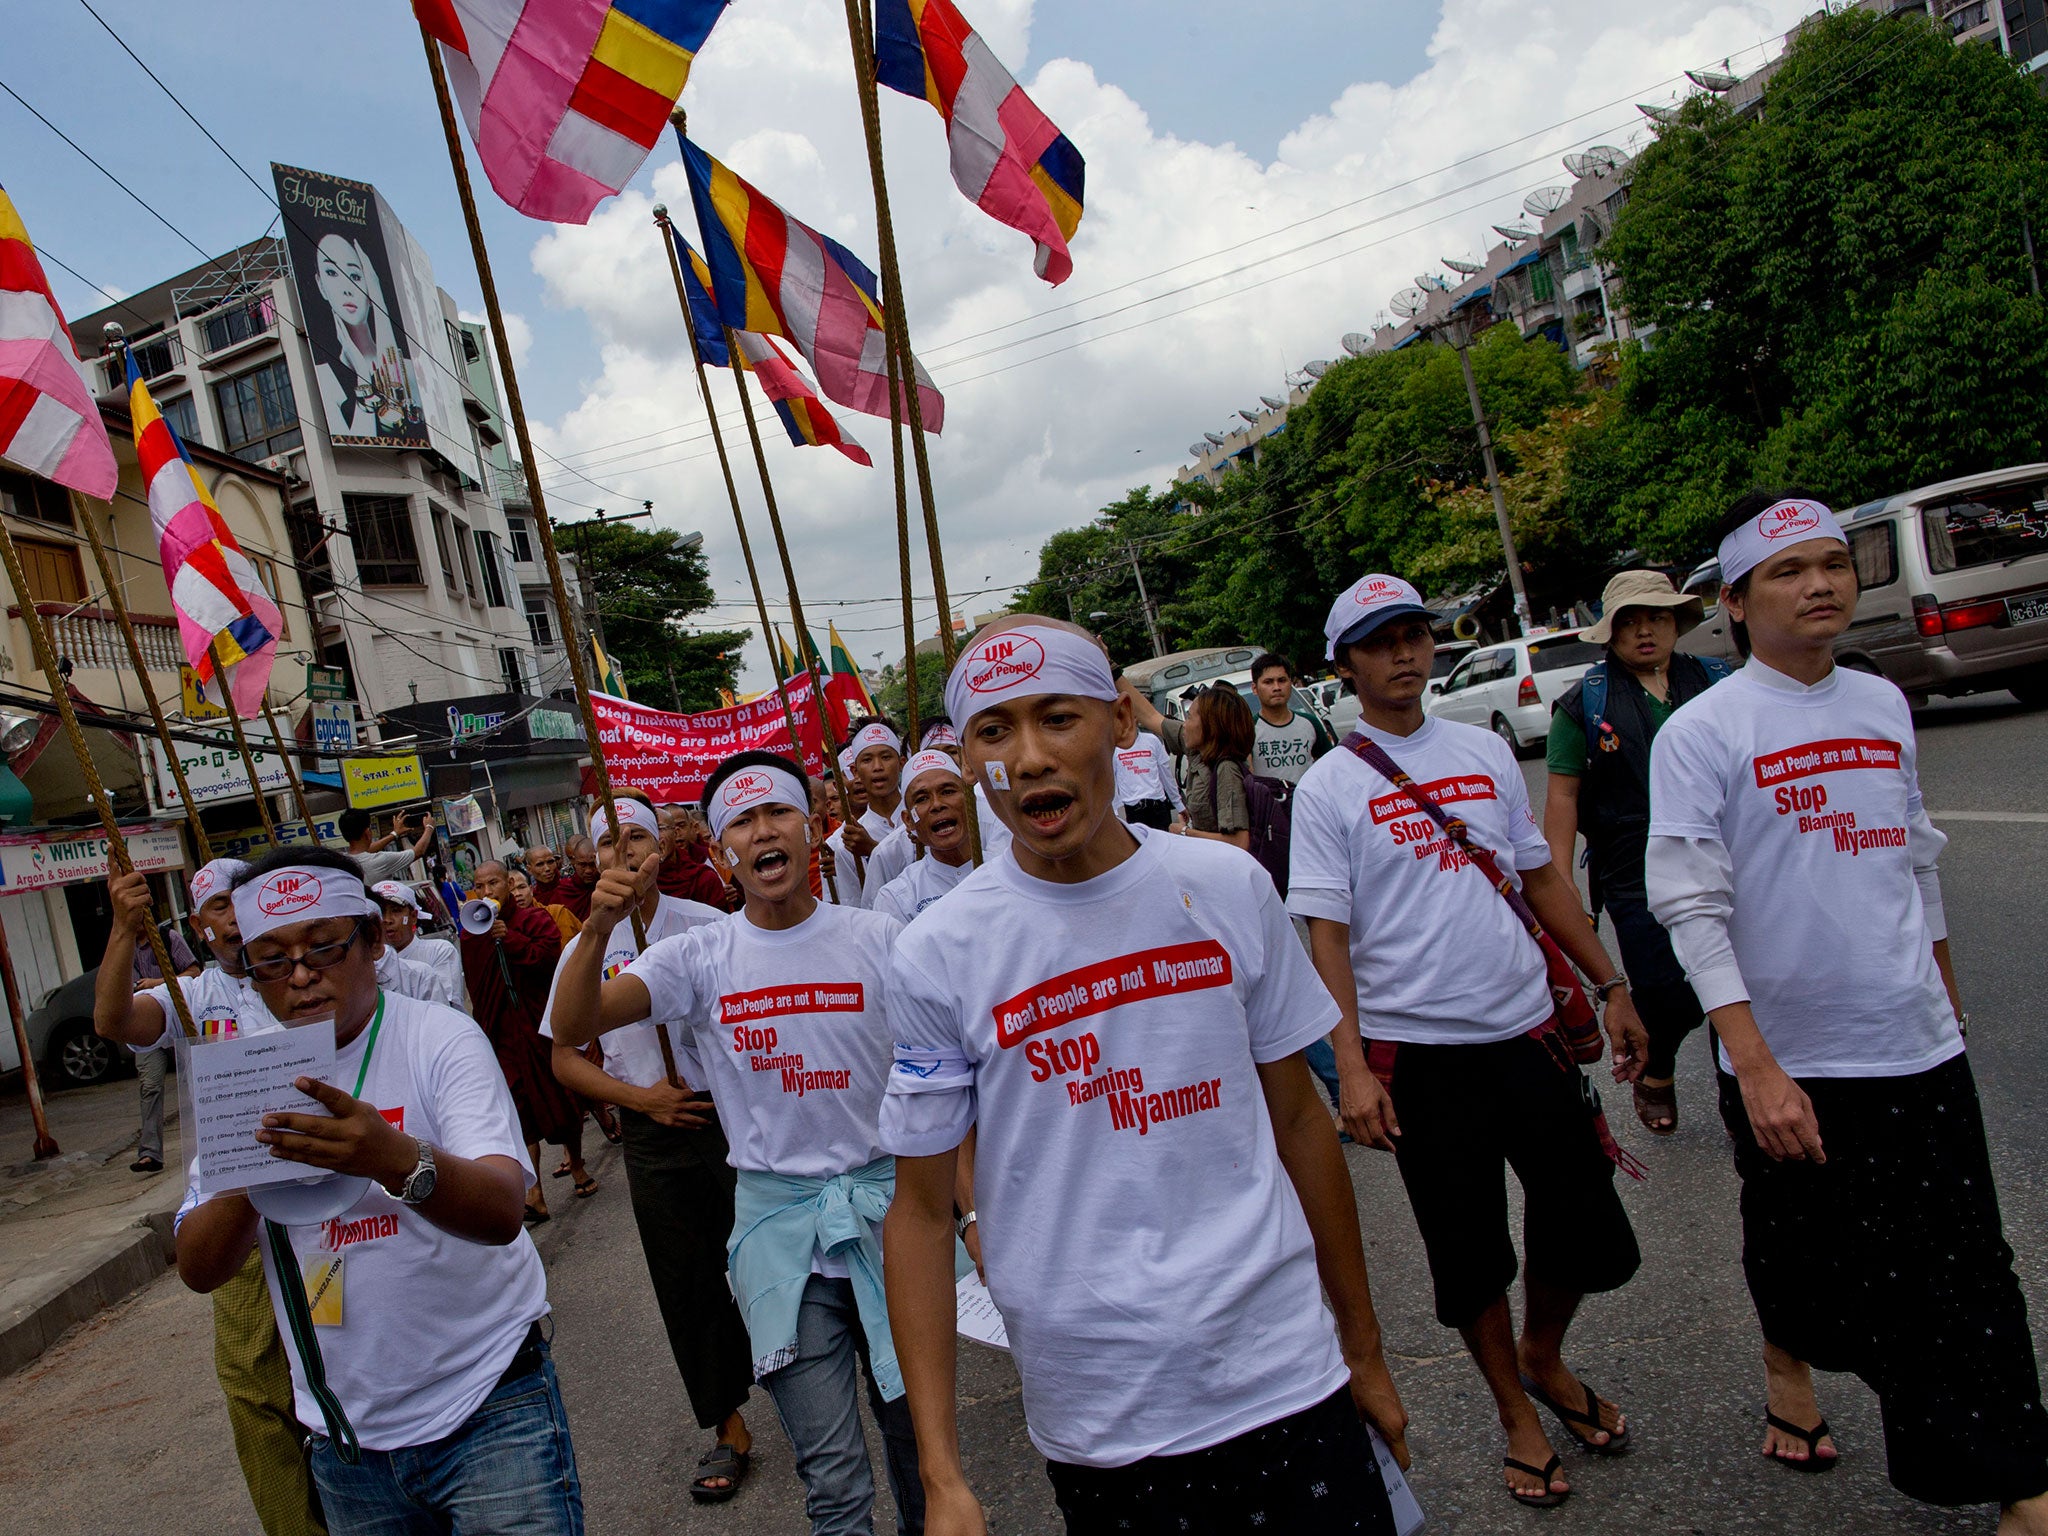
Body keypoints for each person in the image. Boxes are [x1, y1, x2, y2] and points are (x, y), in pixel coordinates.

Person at [881, 618, 1407, 1536]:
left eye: (1058, 718)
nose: (1033, 757)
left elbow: (1298, 1122)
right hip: (1103, 1416)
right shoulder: (936, 954)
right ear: (965, 758)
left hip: (1283, 1369)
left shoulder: (1226, 885)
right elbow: (922, 1213)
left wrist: (1361, 1348)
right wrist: (942, 1473)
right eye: (995, 731)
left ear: (1121, 722)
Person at [1648, 491, 2048, 1523]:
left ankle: (2013, 1481)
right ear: (1732, 603)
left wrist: (1943, 1004)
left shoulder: (1877, 705)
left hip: (1911, 1043)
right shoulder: (1702, 732)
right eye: (1787, 571)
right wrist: (1753, 1061)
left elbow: (1914, 864)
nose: (1819, 583)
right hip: (1789, 1060)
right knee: (1804, 1253)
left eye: (1832, 563)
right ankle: (1790, 1362)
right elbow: (1689, 903)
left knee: (1962, 1268)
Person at [1287, 572, 1648, 1510]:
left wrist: (1611, 982)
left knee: (1583, 1222)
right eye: (1380, 641)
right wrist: (1354, 1068)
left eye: (1415, 634)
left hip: (1525, 1033)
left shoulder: (1483, 753)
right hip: (1420, 1059)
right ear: (1346, 665)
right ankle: (1516, 1413)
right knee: (1469, 1252)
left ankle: (1543, 1353)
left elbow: (1539, 880)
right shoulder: (1328, 790)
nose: (1405, 653)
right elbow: (1326, 937)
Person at [553, 751, 923, 1536]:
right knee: (832, 1477)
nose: (764, 831)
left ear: (812, 827)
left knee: (918, 1449)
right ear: (722, 853)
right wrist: (595, 928)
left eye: (778, 813)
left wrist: (965, 1211)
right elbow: (578, 1025)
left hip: (888, 1219)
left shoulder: (882, 939)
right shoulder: (698, 957)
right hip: (776, 1235)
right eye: (742, 823)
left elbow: (939, 1086)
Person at [174, 848, 581, 1535]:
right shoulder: (244, 1070)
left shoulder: (439, 1039)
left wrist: (392, 1159)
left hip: (488, 1407)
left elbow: (504, 1209)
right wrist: (252, 1167)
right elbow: (200, 1266)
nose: (301, 976)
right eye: (271, 958)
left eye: (323, 947)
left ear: (369, 939)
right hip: (349, 1444)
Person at [94, 859, 326, 1536]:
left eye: (246, 904)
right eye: (221, 907)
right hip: (236, 1215)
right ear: (200, 925)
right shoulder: (190, 994)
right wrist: (120, 928)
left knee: (339, 1359)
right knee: (256, 1389)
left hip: (324, 1197)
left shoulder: (305, 981)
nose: (236, 919)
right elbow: (113, 1020)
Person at [540, 792, 758, 1504]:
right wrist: (643, 1101)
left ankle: (800, 1372)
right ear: (591, 860)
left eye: (636, 837)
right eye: (608, 844)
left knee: (763, 1257)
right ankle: (728, 1424)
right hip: (652, 1128)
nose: (624, 854)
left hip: (729, 1117)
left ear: (661, 850)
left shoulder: (711, 925)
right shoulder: (583, 950)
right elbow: (566, 1056)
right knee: (686, 1281)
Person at [1546, 570, 1731, 1134]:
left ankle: (1741, 1095)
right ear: (1609, 633)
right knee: (1664, 990)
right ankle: (1660, 1068)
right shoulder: (1584, 705)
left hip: (1723, 859)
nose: (1645, 631)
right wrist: (1562, 885)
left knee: (1736, 979)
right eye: (1630, 621)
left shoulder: (1719, 683)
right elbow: (1562, 798)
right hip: (1633, 871)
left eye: (1657, 617)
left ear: (1677, 622)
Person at [461, 861, 591, 1216]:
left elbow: (548, 959)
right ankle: (535, 1193)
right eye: (479, 885)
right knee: (517, 1110)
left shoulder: (535, 920)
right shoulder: (470, 931)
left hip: (538, 1027)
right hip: (502, 1033)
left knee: (561, 1098)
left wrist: (510, 938)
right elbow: (476, 984)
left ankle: (577, 1164)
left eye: (494, 883)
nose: (487, 892)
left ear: (509, 884)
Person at [127, 903, 202, 1174]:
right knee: (150, 1086)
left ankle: (210, 1142)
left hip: (179, 1017)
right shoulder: (126, 949)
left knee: (197, 1078)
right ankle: (150, 1153)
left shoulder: (168, 938)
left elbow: (193, 972)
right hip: (148, 1024)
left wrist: (156, 983)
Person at [872, 752, 974, 925]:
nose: (937, 804)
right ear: (908, 820)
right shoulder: (897, 899)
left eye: (948, 791)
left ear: (971, 800)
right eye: (922, 798)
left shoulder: (1010, 868)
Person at [371, 880, 466, 1008]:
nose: (387, 919)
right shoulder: (369, 963)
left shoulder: (439, 951)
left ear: (413, 916)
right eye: (381, 912)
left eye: (396, 911)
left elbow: (444, 1007)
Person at [1249, 652, 1334, 784]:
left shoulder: (1310, 723)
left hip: (1307, 803)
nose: (1276, 687)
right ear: (1255, 688)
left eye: (1282, 680)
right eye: (1268, 682)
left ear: (1290, 683)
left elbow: (1330, 767)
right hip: (1269, 803)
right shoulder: (1248, 730)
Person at [1110, 707, 1182, 831]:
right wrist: (1115, 811)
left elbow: (1166, 775)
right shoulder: (1115, 748)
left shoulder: (1152, 741)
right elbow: (1112, 779)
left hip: (1157, 805)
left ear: (1136, 718)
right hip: (1134, 808)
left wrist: (1178, 803)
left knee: (1163, 844)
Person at [657, 804, 733, 909]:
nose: (678, 833)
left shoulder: (711, 857)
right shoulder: (648, 874)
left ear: (694, 827)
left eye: (681, 825)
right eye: (660, 829)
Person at [341, 807, 435, 885]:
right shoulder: (379, 860)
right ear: (367, 833)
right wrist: (429, 827)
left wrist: (394, 834)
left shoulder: (342, 860)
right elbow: (419, 851)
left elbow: (366, 849)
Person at [511, 867, 583, 945]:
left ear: (531, 890)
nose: (517, 894)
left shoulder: (557, 913)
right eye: (511, 890)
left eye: (522, 887)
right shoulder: (504, 929)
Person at [559, 836, 599, 920]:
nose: (588, 871)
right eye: (583, 865)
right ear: (575, 863)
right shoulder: (564, 890)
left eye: (592, 864)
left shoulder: (607, 884)